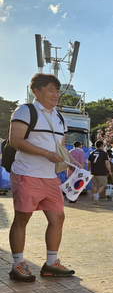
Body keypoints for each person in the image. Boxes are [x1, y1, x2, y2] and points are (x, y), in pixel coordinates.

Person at [7, 73, 75, 281]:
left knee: (58, 218)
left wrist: (71, 162)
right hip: (27, 174)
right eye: (50, 90)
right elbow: (15, 140)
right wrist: (46, 154)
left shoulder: (59, 117)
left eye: (57, 91)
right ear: (36, 92)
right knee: (22, 219)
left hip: (50, 178)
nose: (56, 95)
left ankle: (50, 263)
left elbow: (60, 147)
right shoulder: (26, 111)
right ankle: (18, 264)